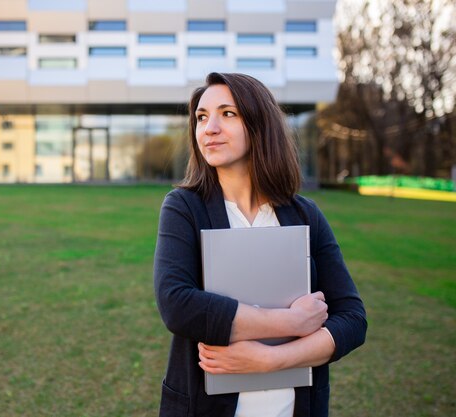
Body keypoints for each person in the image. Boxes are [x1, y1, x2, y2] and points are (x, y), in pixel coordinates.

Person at [153, 72, 367, 417]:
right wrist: (290, 323)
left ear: (260, 124)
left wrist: (271, 359)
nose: (209, 128)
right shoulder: (184, 208)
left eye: (228, 114)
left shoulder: (305, 215)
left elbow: (353, 319)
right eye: (202, 117)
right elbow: (177, 304)